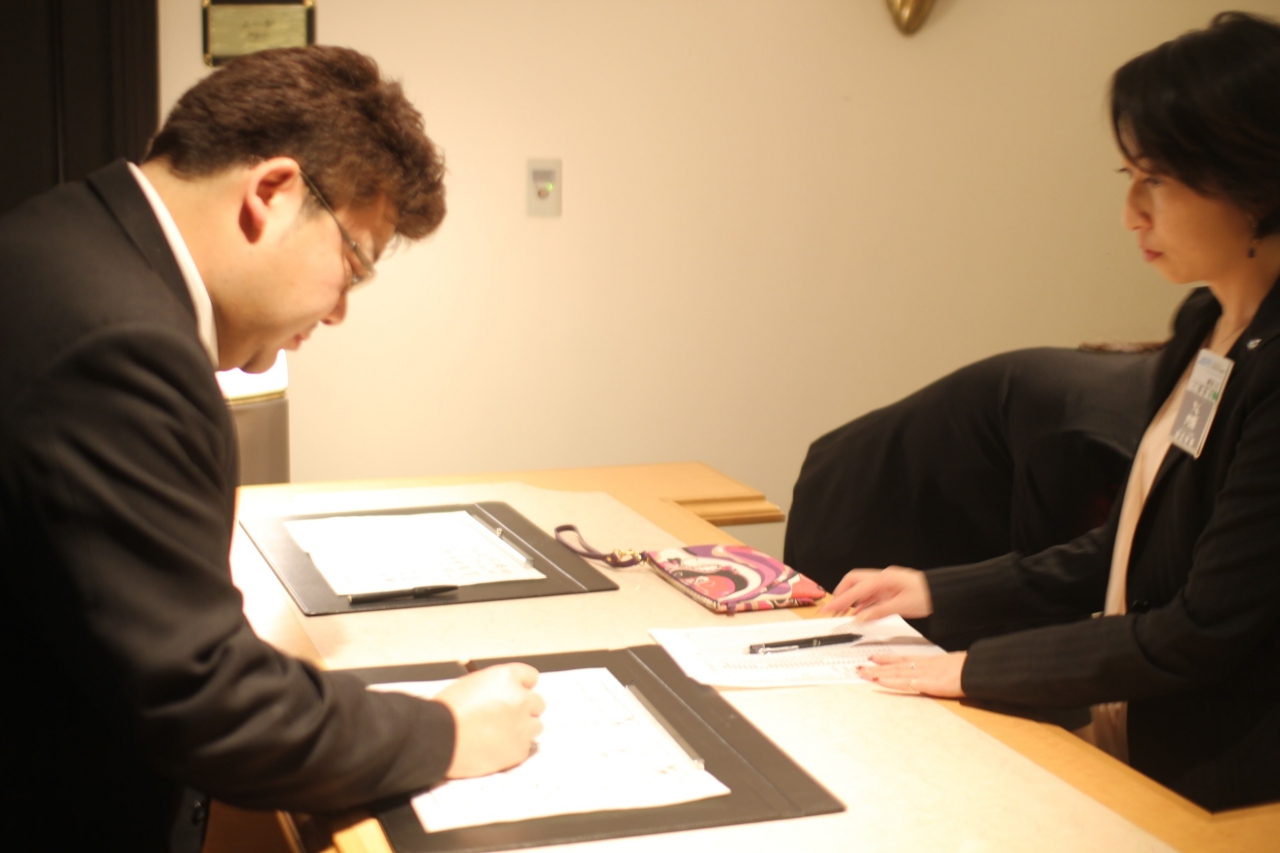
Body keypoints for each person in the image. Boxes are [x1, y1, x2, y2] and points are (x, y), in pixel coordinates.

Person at [0, 46, 544, 852]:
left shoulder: (63, 236)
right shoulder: (122, 345)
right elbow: (206, 702)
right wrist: (448, 731)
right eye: (352, 264)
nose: (339, 311)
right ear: (272, 192)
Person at [821, 12, 1280, 812]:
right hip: (1135, 743)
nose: (1132, 212)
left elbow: (1203, 626)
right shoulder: (1206, 324)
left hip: (1230, 793)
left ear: (1254, 181)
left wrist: (975, 667)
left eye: (1157, 180)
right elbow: (1132, 546)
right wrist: (934, 592)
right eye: (1129, 177)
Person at [784, 345, 1158, 592]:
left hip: (963, 511)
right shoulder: (1085, 435)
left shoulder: (1144, 399)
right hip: (869, 501)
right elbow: (1052, 589)